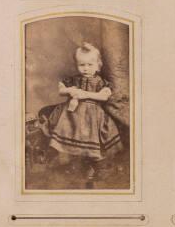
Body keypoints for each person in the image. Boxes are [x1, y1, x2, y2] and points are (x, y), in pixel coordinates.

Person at [43, 43, 123, 185]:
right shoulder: (74, 80)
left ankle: (99, 166)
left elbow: (104, 96)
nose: (85, 68)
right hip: (72, 113)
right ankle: (52, 152)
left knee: (91, 136)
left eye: (90, 65)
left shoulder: (101, 82)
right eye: (82, 65)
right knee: (64, 125)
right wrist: (69, 91)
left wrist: (84, 94)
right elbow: (61, 89)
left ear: (98, 65)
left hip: (91, 114)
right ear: (77, 65)